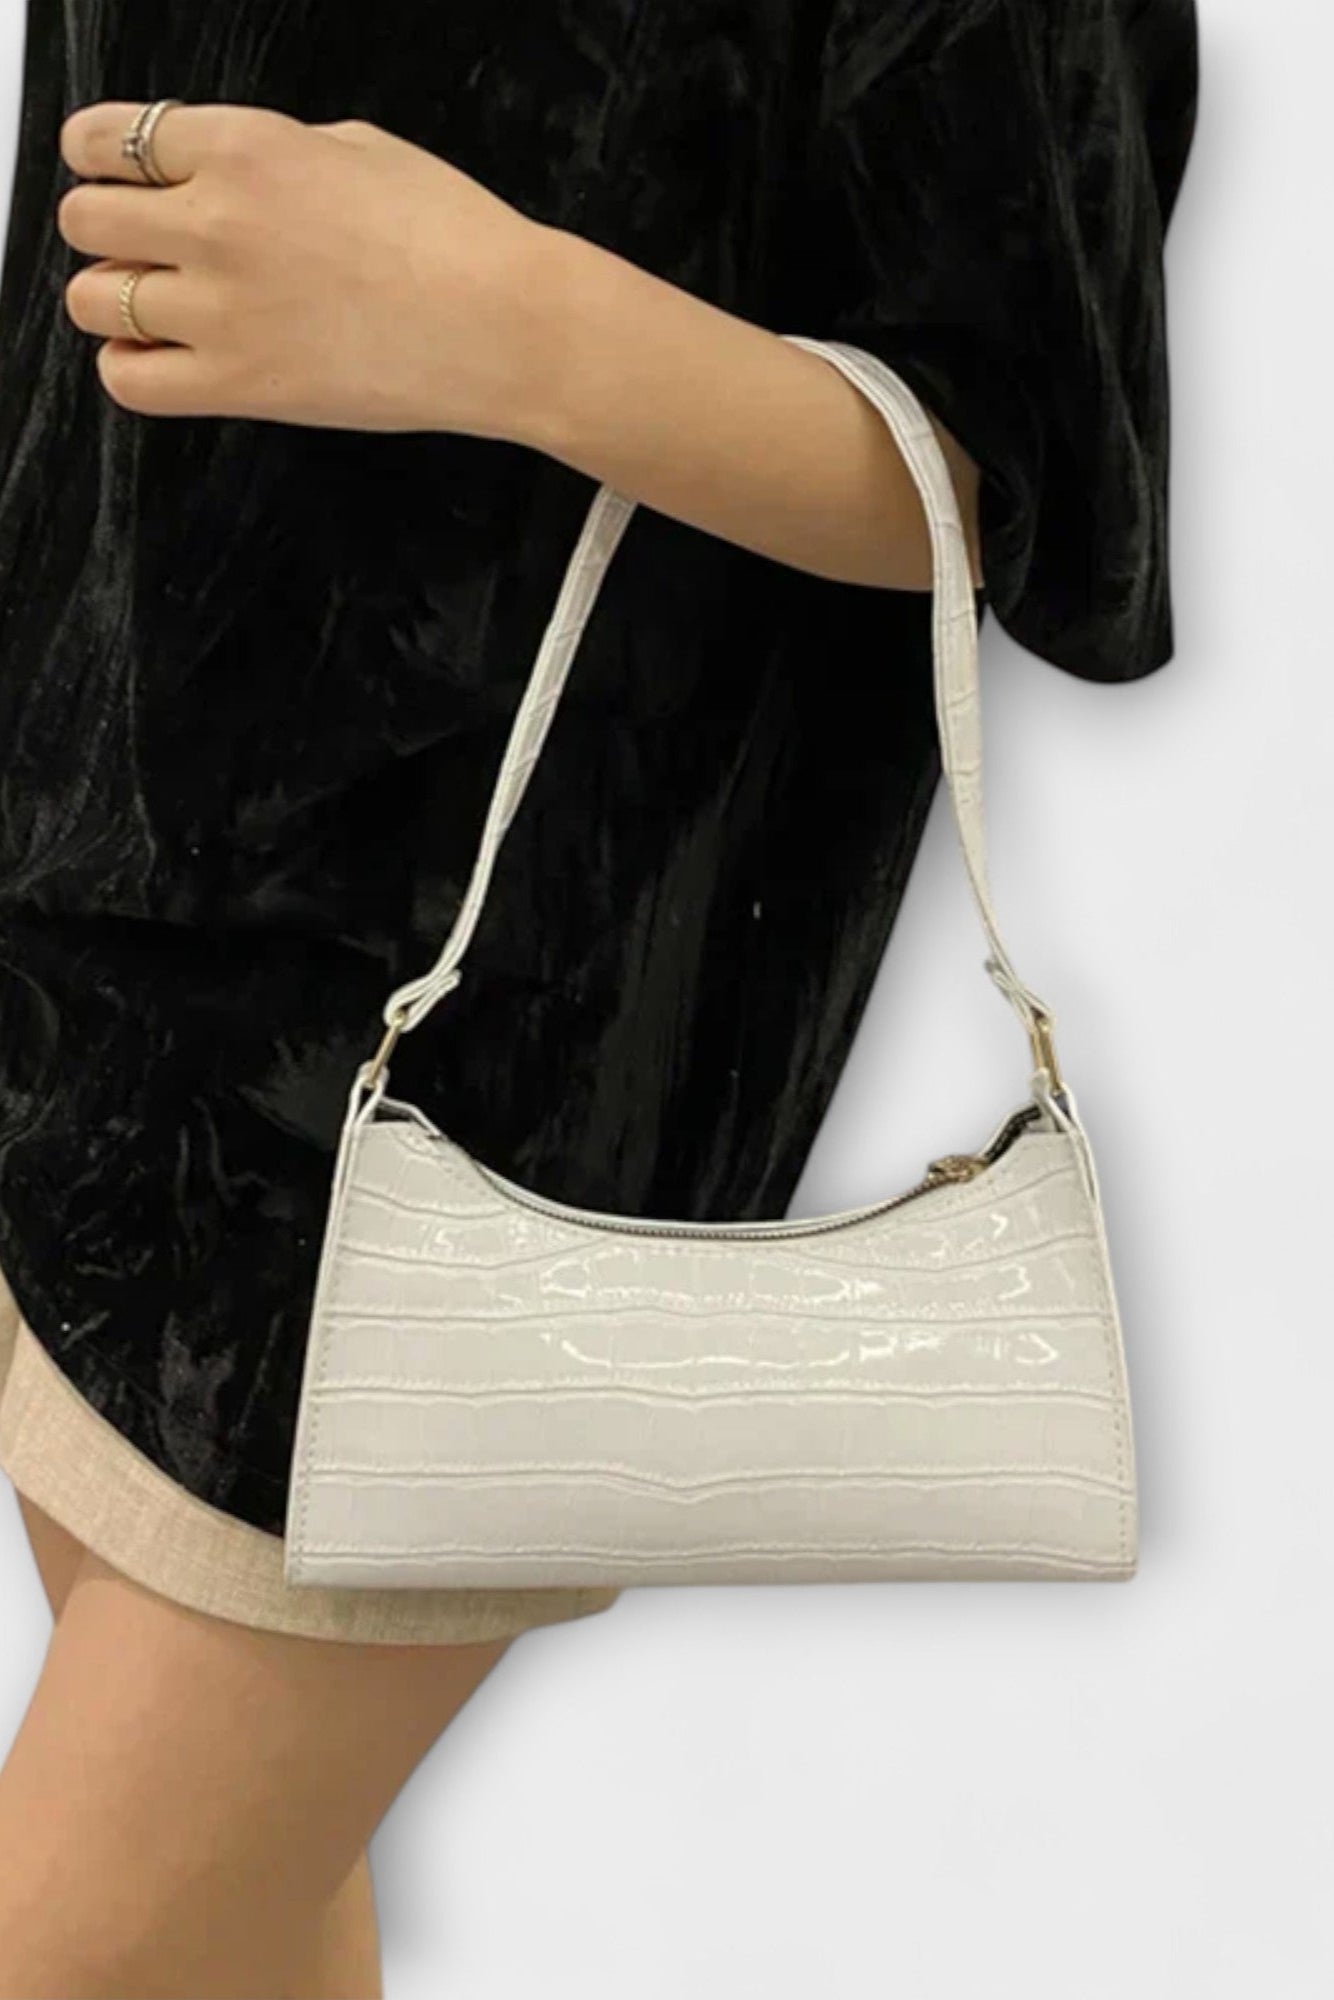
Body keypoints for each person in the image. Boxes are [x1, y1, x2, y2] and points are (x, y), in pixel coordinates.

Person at [0, 3, 1198, 1992]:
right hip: (82, 923)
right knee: (224, 1937)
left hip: (473, 1086)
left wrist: (495, 315)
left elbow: (1027, 477)